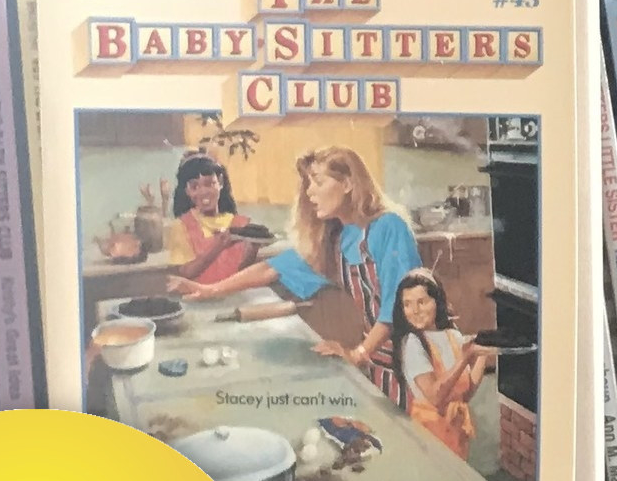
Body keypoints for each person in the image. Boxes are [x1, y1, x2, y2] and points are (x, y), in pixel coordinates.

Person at [176, 144, 421, 402]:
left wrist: (358, 353)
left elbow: (398, 306)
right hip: (378, 357)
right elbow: (273, 267)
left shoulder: (389, 226)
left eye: (317, 181)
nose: (309, 191)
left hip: (414, 359)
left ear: (348, 183)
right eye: (307, 183)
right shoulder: (338, 236)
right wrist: (210, 289)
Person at [395, 267, 490, 455]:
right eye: (407, 304)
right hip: (428, 438)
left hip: (455, 434)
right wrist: (464, 357)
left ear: (436, 302)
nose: (414, 311)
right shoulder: (413, 343)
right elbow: (435, 397)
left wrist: (482, 354)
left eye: (421, 302)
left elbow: (466, 393)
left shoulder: (452, 336)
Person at [165, 154, 259, 287]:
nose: (203, 192)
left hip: (234, 294)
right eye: (194, 187)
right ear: (186, 191)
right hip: (198, 299)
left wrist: (253, 250)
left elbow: (240, 272)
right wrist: (218, 246)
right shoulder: (182, 226)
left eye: (209, 184)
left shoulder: (240, 223)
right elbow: (185, 273)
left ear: (220, 182)